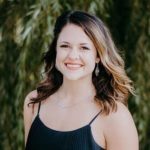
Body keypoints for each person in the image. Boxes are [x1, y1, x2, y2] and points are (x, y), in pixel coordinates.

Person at [23, 10, 139, 150]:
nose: (73, 55)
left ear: (98, 56)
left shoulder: (115, 116)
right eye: (65, 46)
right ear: (55, 51)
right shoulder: (34, 102)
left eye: (84, 48)